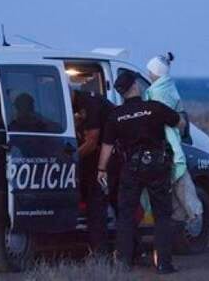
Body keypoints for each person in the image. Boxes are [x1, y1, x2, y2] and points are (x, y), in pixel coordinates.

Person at [97, 71, 182, 274]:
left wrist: (101, 169)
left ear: (121, 92)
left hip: (132, 168)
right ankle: (163, 264)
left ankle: (124, 263)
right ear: (135, 86)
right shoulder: (154, 108)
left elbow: (107, 147)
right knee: (162, 215)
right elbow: (179, 122)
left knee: (126, 215)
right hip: (157, 166)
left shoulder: (116, 116)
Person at [142, 53, 202, 224]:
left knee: (178, 181)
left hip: (165, 142)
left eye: (150, 71)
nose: (148, 74)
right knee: (176, 180)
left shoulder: (157, 92)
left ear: (155, 73)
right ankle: (184, 215)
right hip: (171, 140)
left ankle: (192, 212)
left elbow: (160, 118)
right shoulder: (169, 88)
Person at [71, 89, 115, 255]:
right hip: (97, 158)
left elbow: (91, 142)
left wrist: (70, 158)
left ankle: (100, 252)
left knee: (97, 204)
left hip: (108, 158)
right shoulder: (79, 105)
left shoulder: (89, 103)